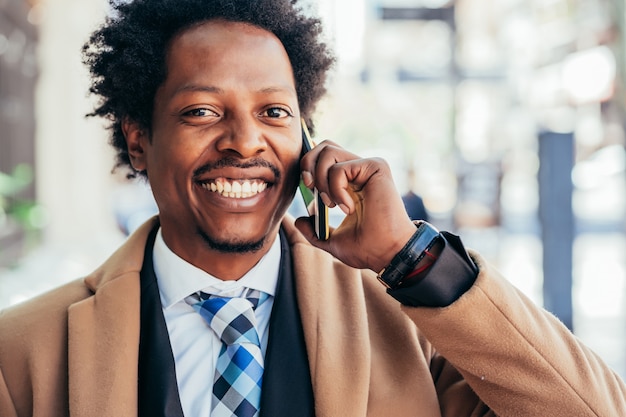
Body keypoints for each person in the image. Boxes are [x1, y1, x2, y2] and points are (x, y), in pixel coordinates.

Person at [0, 0, 624, 416]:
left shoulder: (413, 332)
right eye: (202, 111)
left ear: (307, 140)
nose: (246, 142)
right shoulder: (24, 353)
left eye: (274, 112)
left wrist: (410, 257)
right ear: (139, 138)